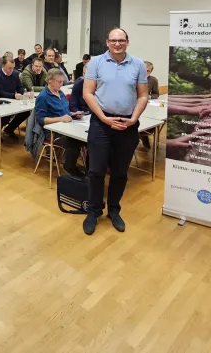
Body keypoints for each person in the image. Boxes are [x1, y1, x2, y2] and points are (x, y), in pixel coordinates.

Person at [82, 28, 148, 235]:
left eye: (121, 40)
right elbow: (87, 93)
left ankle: (113, 210)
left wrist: (134, 118)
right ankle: (93, 211)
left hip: (127, 124)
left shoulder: (138, 64)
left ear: (127, 42)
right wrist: (103, 117)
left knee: (120, 172)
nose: (117, 44)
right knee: (96, 171)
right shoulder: (96, 63)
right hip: (101, 123)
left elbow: (143, 95)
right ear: (107, 42)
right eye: (113, 40)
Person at [35, 69, 86, 177]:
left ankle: (89, 171)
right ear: (50, 80)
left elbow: (65, 112)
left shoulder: (61, 93)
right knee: (74, 142)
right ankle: (69, 167)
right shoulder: (42, 97)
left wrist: (73, 114)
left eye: (62, 81)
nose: (62, 84)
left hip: (67, 127)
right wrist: (60, 119)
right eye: (59, 82)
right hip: (53, 133)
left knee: (89, 140)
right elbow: (41, 119)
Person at [0, 56, 30, 139]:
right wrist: (13, 96)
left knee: (26, 112)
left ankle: (9, 129)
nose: (11, 70)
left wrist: (24, 93)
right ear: (3, 66)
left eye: (13, 68)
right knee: (6, 116)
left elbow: (19, 86)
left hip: (13, 100)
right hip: (1, 101)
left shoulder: (15, 74)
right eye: (9, 68)